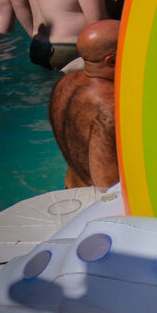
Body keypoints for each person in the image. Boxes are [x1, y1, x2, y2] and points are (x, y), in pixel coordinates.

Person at [48, 20, 121, 188]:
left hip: (70, 189)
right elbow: (107, 186)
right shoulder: (110, 105)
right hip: (96, 205)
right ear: (112, 61)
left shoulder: (64, 84)